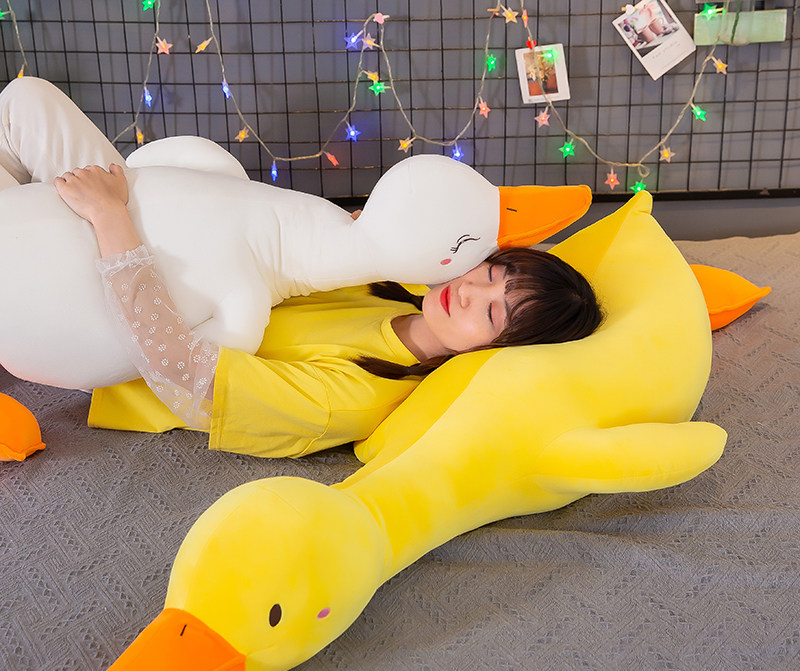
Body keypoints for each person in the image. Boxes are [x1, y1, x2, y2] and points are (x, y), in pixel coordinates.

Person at [4, 77, 603, 459]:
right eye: (488, 274)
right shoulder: (397, 289)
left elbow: (182, 374)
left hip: (111, 296)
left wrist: (110, 218)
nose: (468, 291)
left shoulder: (352, 396)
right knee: (25, 103)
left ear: (497, 354)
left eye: (492, 313)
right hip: (153, 224)